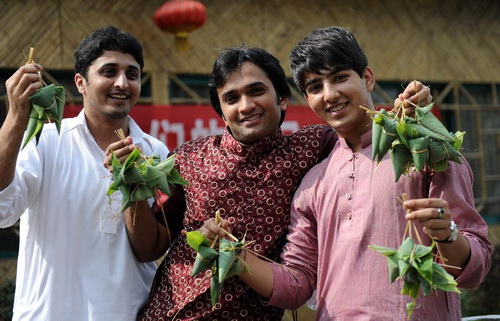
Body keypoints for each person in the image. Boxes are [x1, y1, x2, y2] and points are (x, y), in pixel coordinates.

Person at [105, 46, 431, 320]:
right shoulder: (188, 159)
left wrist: (410, 110)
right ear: (222, 111)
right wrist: (131, 187)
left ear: (283, 99)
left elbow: (365, 133)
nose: (246, 106)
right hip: (170, 314)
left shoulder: (314, 149)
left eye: (256, 91)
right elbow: (149, 248)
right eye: (231, 98)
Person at [213, 26, 493, 320]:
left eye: (339, 78)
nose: (330, 94)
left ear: (367, 78)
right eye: (315, 87)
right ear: (307, 98)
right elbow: (296, 286)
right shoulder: (313, 182)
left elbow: (475, 268)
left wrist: (447, 234)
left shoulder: (427, 152)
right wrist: (233, 253)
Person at [0, 26, 168, 320]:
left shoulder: (156, 153)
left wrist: (133, 189)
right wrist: (16, 117)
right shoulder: (46, 141)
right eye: (109, 71)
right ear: (81, 82)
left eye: (132, 74)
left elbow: (150, 250)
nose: (122, 83)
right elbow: (3, 210)